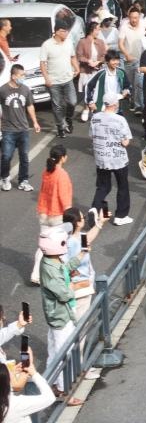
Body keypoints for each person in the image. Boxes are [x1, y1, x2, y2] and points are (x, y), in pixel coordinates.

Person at [38, 223, 83, 400]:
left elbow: (65, 269)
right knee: (64, 352)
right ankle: (64, 391)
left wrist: (81, 255)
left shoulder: (52, 261)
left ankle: (49, 384)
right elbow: (63, 294)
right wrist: (73, 285)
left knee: (54, 351)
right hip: (60, 316)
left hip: (58, 315)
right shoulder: (50, 267)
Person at [31, 145, 73, 285]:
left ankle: (36, 273)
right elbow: (64, 197)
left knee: (43, 245)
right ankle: (61, 274)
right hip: (58, 216)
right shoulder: (62, 175)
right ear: (63, 158)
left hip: (44, 213)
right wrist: (71, 216)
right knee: (61, 245)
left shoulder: (47, 171)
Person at [89, 92, 133, 224]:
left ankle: (95, 208)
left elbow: (91, 135)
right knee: (122, 186)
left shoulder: (95, 117)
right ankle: (121, 216)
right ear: (115, 104)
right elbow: (126, 142)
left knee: (103, 186)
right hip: (118, 158)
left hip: (101, 158)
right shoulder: (120, 120)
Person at [0, 64, 42, 192]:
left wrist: (35, 122)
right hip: (8, 130)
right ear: (13, 76)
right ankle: (5, 178)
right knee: (6, 156)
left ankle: (23, 181)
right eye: (21, 75)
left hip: (23, 129)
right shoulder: (3, 90)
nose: (24, 77)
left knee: (24, 157)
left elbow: (30, 106)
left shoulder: (25, 89)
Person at [39, 24, 79, 138]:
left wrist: (76, 68)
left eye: (67, 31)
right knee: (57, 106)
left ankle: (68, 119)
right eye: (63, 31)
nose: (66, 33)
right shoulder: (47, 45)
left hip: (68, 79)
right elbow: (42, 63)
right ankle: (60, 127)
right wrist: (46, 78)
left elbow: (73, 57)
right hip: (54, 81)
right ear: (56, 31)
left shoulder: (69, 42)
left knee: (72, 102)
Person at [1, 346, 58, 420]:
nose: (12, 371)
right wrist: (34, 373)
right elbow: (50, 398)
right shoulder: (15, 404)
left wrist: (25, 364)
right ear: (8, 380)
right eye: (10, 372)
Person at [75, 21, 105, 121]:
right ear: (91, 30)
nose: (98, 31)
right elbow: (79, 56)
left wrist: (98, 62)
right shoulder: (82, 42)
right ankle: (86, 108)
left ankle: (91, 109)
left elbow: (104, 56)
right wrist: (88, 61)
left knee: (95, 91)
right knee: (86, 90)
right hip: (86, 71)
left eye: (99, 29)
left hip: (97, 70)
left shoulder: (100, 42)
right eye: (97, 29)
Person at [85, 50, 129, 117]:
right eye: (113, 60)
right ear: (107, 61)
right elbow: (88, 86)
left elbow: (127, 85)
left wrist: (126, 91)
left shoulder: (121, 72)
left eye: (117, 60)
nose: (116, 62)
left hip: (116, 107)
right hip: (101, 108)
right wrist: (90, 102)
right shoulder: (101, 74)